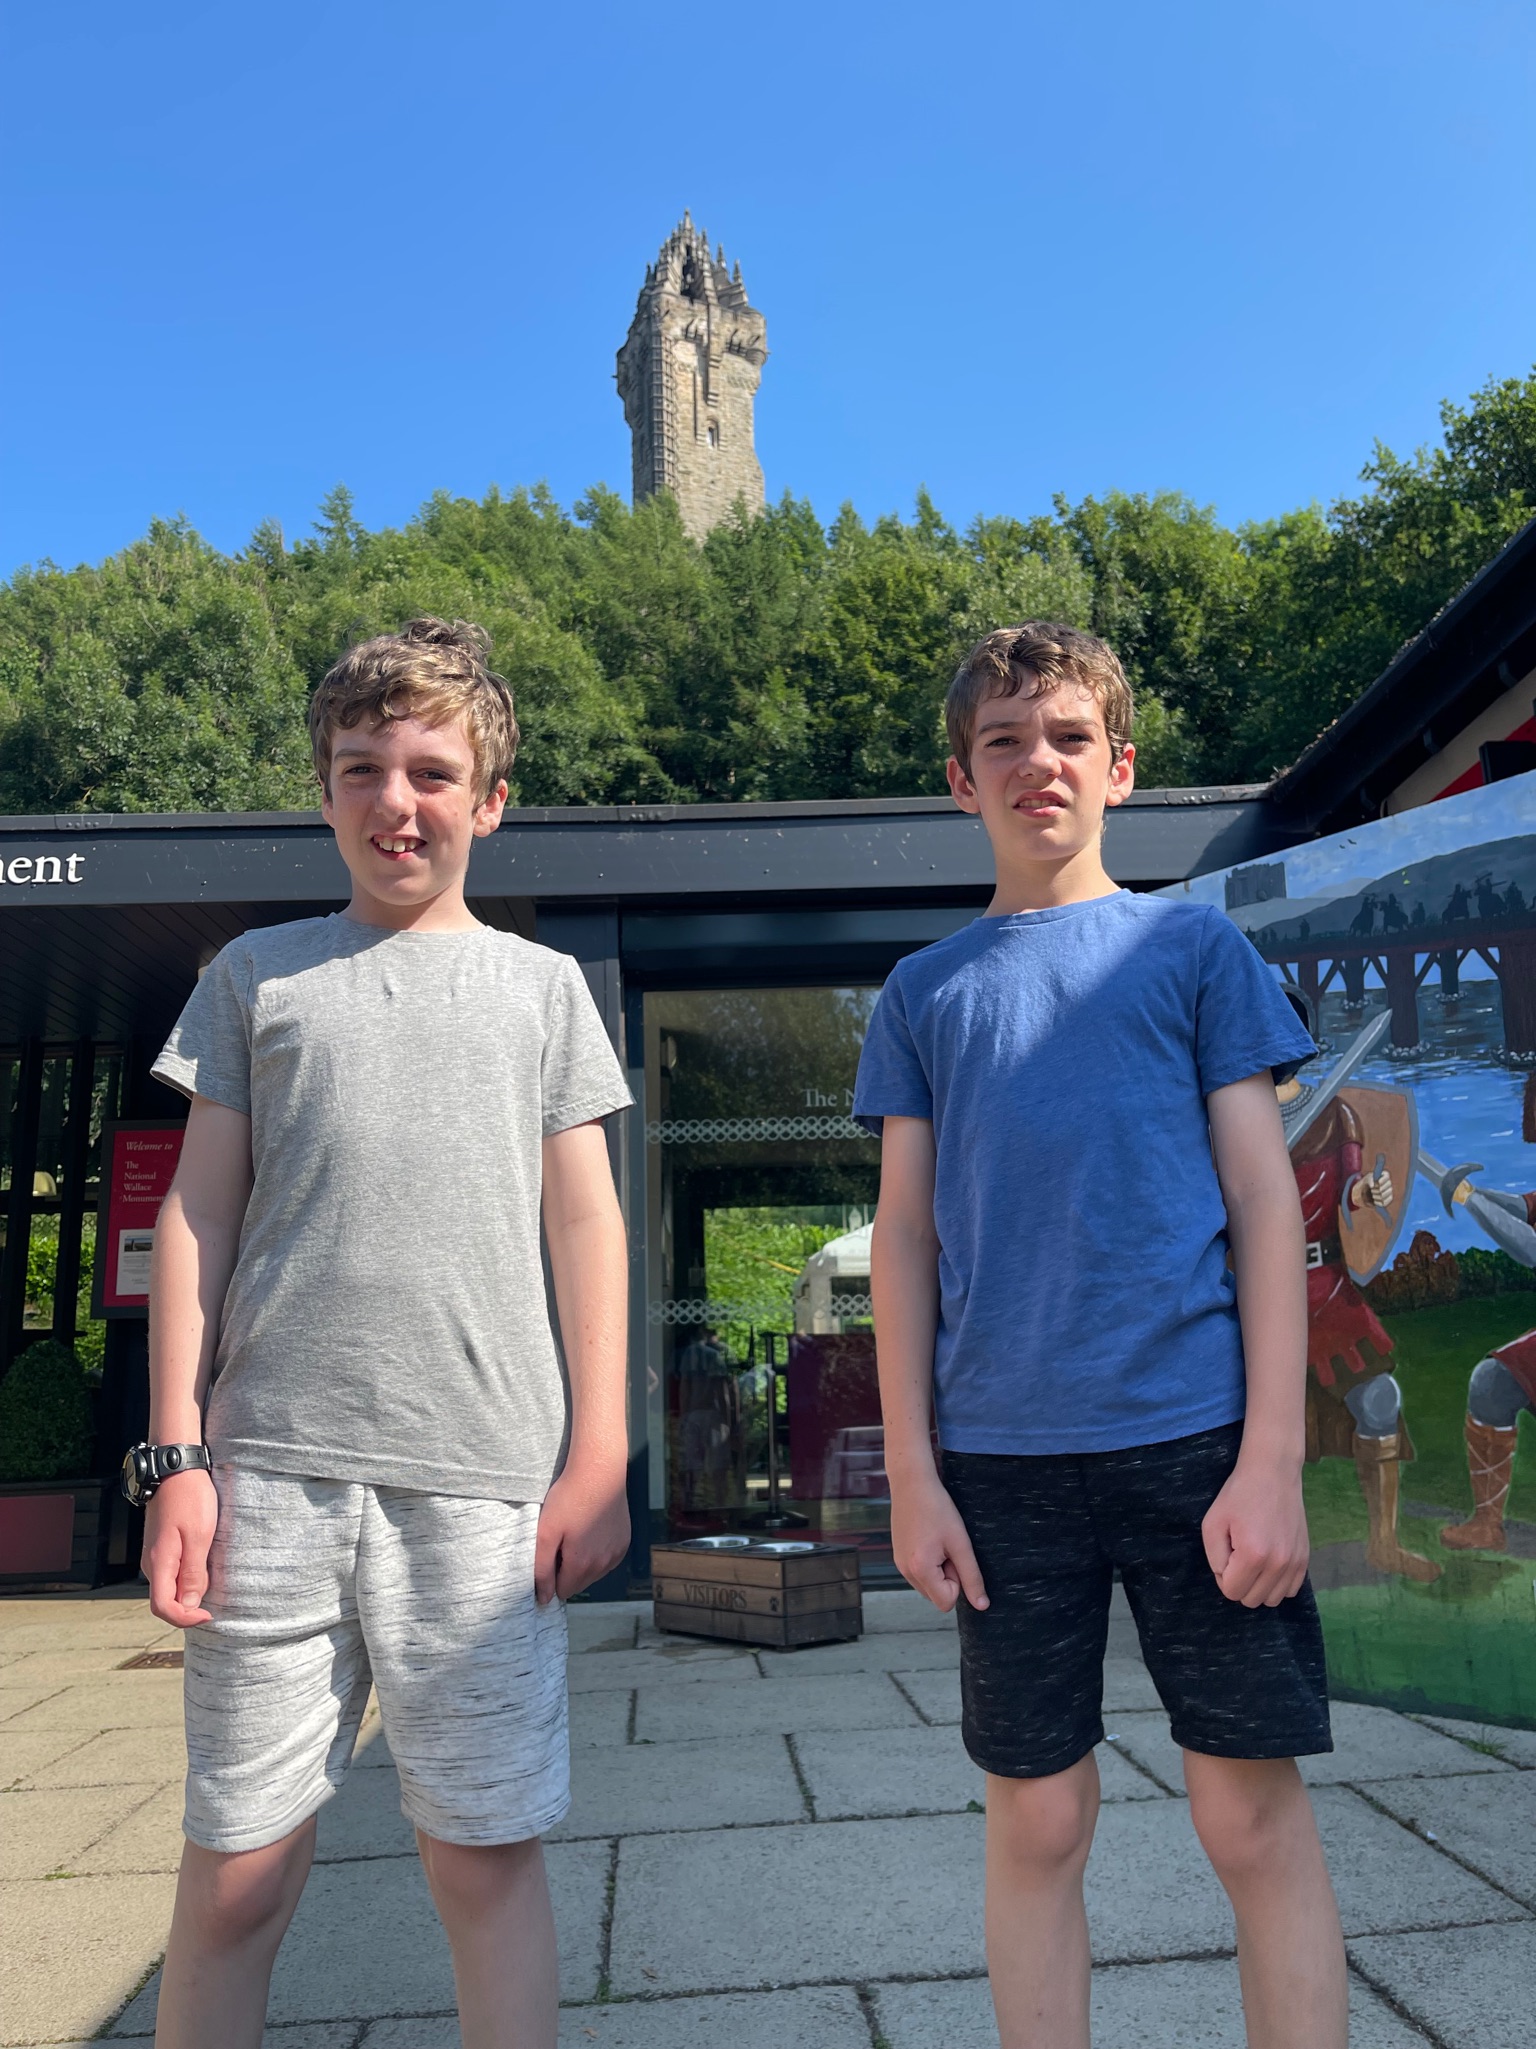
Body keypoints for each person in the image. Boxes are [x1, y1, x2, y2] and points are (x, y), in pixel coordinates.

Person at [137, 619, 633, 2049]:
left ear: (490, 800)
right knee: (236, 1875)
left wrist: (599, 1457)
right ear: (324, 789)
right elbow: (198, 1215)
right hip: (266, 1480)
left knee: (481, 1859)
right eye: (361, 767)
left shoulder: (544, 990)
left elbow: (586, 1226)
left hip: (482, 1491)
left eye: (431, 771)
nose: (394, 800)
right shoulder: (256, 975)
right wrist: (175, 1453)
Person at [856, 623, 1345, 2049]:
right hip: (999, 1464)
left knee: (1247, 1816)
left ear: (1120, 768)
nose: (1040, 763)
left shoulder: (1191, 948)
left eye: (1069, 736)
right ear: (963, 780)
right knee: (1038, 1818)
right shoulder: (923, 992)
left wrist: (1273, 1459)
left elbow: (1264, 1202)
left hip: (1198, 1446)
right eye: (1004, 741)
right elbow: (905, 1240)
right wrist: (912, 1476)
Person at [1274, 999, 1438, 1582]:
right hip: (1258, 1294)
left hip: (1325, 1284)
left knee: (1379, 1399)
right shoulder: (1226, 1123)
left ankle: (1383, 1544)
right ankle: (1270, 1552)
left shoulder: (1334, 1116)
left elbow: (1349, 1190)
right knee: (1250, 1425)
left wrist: (1368, 1191)